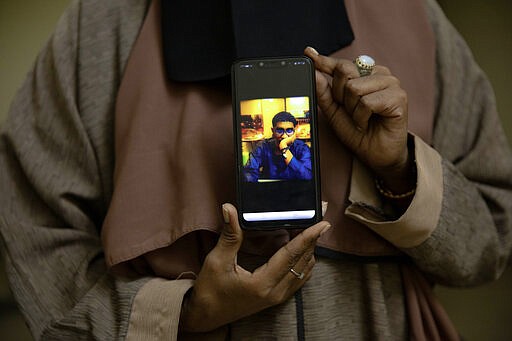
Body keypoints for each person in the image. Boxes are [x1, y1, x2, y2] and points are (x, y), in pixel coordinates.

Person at [1, 0, 511, 340]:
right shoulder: (103, 21)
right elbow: (31, 228)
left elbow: (490, 243)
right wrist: (181, 312)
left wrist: (401, 170)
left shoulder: (412, 13)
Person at [243, 111, 312, 182]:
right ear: (273, 131)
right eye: (279, 131)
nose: (284, 136)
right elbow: (249, 172)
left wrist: (284, 148)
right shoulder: (263, 146)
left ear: (294, 131)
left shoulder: (302, 148)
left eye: (289, 131)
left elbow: (307, 177)